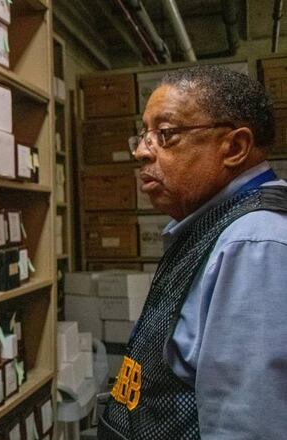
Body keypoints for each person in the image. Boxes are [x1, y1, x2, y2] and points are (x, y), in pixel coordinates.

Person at [98, 65, 287, 439]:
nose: (140, 151)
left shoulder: (252, 245)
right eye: (143, 134)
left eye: (165, 134)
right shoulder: (215, 225)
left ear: (233, 147)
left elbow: (246, 424)